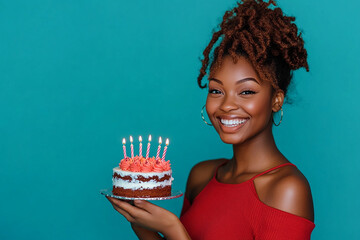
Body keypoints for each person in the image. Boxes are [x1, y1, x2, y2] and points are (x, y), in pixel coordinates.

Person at [106, 0, 315, 239]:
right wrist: (142, 225)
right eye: (216, 90)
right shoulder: (202, 175)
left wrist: (173, 229)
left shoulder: (287, 189)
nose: (226, 105)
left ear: (276, 100)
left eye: (246, 91)